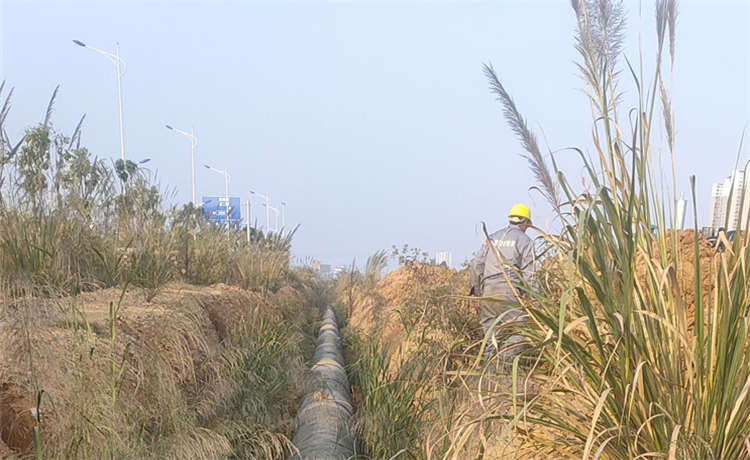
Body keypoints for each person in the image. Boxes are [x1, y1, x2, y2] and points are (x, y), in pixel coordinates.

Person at [470, 203, 535, 363]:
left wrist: (477, 292)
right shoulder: (525, 241)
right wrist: (537, 300)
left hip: (488, 294)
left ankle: (488, 376)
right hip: (509, 293)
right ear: (526, 222)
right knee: (522, 330)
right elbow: (530, 274)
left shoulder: (492, 237)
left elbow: (475, 265)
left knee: (491, 337)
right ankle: (505, 366)